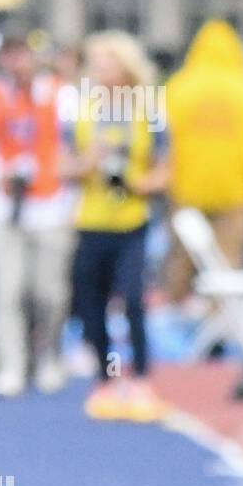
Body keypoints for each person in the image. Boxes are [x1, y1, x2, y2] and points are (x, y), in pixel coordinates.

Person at [63, 30, 170, 422]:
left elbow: (166, 171)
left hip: (133, 221)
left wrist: (140, 182)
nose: (101, 70)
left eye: (108, 63)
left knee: (134, 298)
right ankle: (104, 377)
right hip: (91, 221)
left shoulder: (150, 110)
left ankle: (140, 378)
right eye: (97, 64)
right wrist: (88, 161)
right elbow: (62, 167)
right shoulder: (82, 110)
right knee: (90, 303)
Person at [0, 33, 75, 396]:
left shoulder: (63, 94)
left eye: (21, 54)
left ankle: (49, 358)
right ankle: (11, 365)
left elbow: (76, 146)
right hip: (3, 207)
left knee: (50, 293)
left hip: (51, 206)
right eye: (9, 56)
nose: (16, 63)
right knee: (6, 292)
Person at [162, 18, 243, 299]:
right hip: (235, 193)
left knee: (181, 259)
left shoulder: (178, 87)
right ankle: (221, 327)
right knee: (226, 264)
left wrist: (169, 184)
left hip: (185, 192)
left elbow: (162, 142)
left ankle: (174, 317)